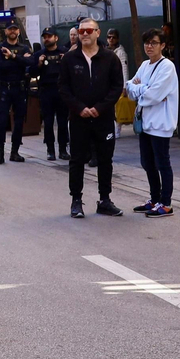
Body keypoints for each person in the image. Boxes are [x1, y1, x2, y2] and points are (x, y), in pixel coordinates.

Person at [60, 17, 124, 218]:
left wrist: (100, 108)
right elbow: (63, 88)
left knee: (106, 159)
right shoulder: (69, 59)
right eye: (81, 32)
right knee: (77, 159)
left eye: (89, 31)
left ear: (98, 32)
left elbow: (116, 87)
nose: (85, 34)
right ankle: (76, 200)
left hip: (103, 118)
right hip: (79, 119)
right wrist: (79, 108)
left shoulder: (110, 58)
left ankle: (104, 200)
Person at [125, 28, 179, 217]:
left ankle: (166, 203)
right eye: (147, 42)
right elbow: (129, 88)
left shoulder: (167, 67)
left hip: (161, 123)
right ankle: (154, 198)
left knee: (162, 163)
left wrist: (141, 89)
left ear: (162, 45)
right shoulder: (145, 65)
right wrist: (142, 88)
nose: (149, 46)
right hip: (145, 123)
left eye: (154, 43)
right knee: (147, 163)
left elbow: (154, 95)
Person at [0, 21, 32, 165]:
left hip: (20, 88)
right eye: (10, 29)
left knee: (19, 121)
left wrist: (13, 57)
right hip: (5, 88)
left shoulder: (24, 47)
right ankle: (0, 154)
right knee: (1, 121)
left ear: (19, 32)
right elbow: (1, 66)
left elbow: (31, 62)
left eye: (15, 29)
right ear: (6, 32)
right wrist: (21, 60)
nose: (13, 31)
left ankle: (15, 152)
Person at [35, 27, 69, 160]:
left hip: (61, 91)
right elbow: (32, 72)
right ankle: (50, 150)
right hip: (46, 91)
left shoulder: (64, 53)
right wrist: (39, 64)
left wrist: (65, 61)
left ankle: (63, 149)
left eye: (49, 36)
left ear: (56, 38)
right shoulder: (39, 54)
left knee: (62, 122)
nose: (47, 39)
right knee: (48, 123)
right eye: (45, 37)